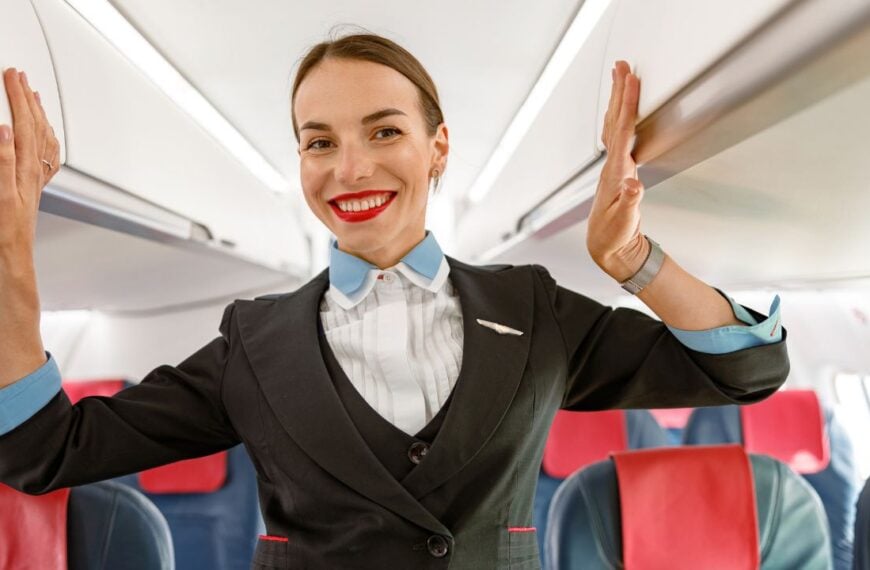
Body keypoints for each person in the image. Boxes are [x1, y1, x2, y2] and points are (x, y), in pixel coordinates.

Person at [0, 33, 787, 569]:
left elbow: (746, 369)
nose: (349, 169)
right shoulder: (255, 340)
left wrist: (631, 259)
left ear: (437, 146)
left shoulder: (533, 311)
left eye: (383, 132)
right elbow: (46, 451)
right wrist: (12, 251)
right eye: (319, 141)